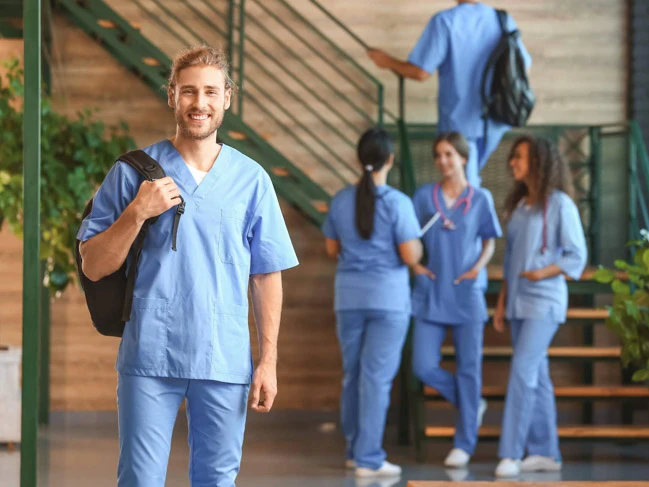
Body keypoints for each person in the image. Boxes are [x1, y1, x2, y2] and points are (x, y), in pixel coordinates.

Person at [78, 45, 299, 487]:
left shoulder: (252, 179)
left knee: (216, 481)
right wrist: (137, 212)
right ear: (172, 96)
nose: (200, 103)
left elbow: (265, 274)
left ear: (227, 99)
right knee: (140, 480)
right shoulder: (132, 173)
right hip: (150, 355)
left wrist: (268, 361)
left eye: (211, 92)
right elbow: (93, 265)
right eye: (189, 92)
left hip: (223, 357)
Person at [322, 128, 423, 478]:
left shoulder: (340, 200)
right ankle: (369, 458)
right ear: (390, 160)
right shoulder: (398, 203)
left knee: (353, 375)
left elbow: (332, 250)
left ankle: (354, 452)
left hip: (349, 298)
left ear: (358, 159)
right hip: (388, 301)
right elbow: (410, 255)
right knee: (376, 379)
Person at [493, 135, 588, 478]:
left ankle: (511, 453)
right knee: (538, 376)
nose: (512, 163)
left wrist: (541, 273)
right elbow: (510, 262)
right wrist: (502, 303)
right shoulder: (520, 207)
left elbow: (577, 255)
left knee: (522, 370)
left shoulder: (561, 205)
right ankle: (547, 451)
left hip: (544, 302)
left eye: (518, 157)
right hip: (518, 302)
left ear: (538, 161)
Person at [367, 0, 532, 187]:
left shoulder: (445, 21)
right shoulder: (502, 20)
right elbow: (523, 65)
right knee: (469, 181)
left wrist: (386, 61)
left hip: (458, 123)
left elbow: (420, 72)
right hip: (495, 120)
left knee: (463, 188)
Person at [410, 132, 501, 468]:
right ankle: (471, 405)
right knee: (422, 365)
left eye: (449, 154)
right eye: (438, 155)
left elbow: (489, 240)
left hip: (467, 294)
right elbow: (409, 238)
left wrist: (477, 268)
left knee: (469, 372)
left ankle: (464, 444)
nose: (443, 161)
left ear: (464, 158)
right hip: (431, 292)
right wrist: (416, 265)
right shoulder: (424, 197)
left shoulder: (480, 200)